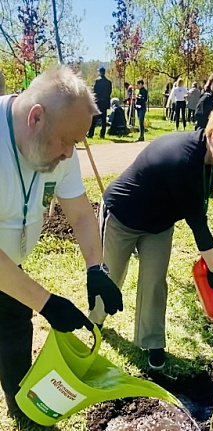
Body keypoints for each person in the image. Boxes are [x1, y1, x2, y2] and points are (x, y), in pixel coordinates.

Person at [89, 97, 213, 370]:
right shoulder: (184, 159)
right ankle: (95, 321)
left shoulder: (211, 161)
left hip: (159, 224)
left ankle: (152, 341)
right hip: (123, 215)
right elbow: (197, 222)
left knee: (155, 281)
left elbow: (197, 209)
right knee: (112, 275)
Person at [0, 66, 123, 418]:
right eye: (67, 142)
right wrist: (47, 302)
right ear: (35, 118)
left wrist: (97, 268)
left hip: (9, 266)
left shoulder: (58, 141)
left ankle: (19, 405)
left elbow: (82, 215)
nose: (70, 154)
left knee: (13, 324)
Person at [87, 66, 112, 139]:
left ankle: (91, 133)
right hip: (105, 103)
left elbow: (94, 92)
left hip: (98, 102)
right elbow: (109, 92)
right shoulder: (109, 82)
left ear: (100, 72)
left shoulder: (97, 81)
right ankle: (102, 134)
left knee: (94, 119)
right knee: (104, 119)